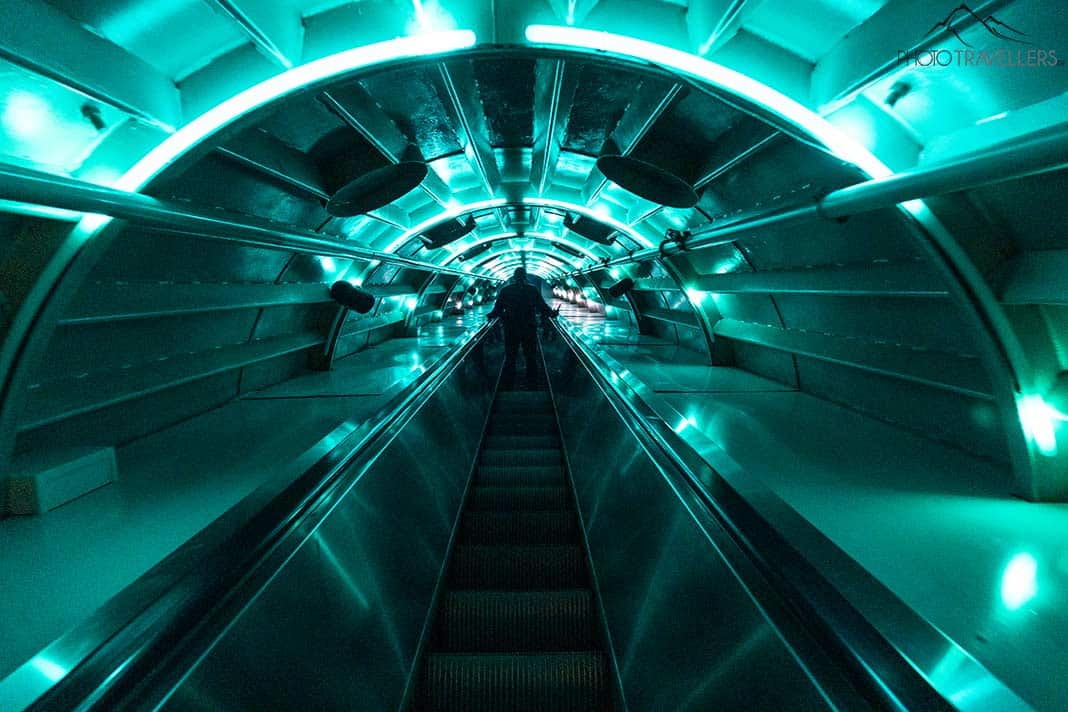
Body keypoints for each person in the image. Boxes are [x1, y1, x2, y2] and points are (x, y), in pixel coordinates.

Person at [487, 267, 556, 386]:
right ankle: (532, 383)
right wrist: (552, 313)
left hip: (511, 328)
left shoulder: (506, 290)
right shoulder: (532, 290)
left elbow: (497, 309)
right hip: (529, 327)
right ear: (525, 277)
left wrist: (490, 315)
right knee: (530, 356)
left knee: (510, 356)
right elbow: (542, 307)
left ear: (514, 277)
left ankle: (508, 383)